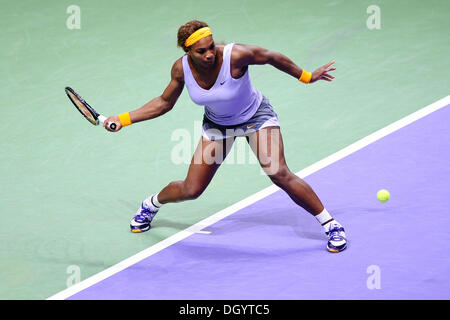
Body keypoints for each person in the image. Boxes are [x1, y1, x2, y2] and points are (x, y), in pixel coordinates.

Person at [104, 20, 347, 253]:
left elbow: (272, 57)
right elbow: (164, 102)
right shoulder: (181, 69)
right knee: (191, 190)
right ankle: (152, 204)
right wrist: (123, 119)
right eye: (201, 51)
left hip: (256, 117)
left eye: (211, 46)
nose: (210, 54)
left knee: (278, 172)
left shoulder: (236, 55)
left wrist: (306, 76)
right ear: (187, 51)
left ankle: (330, 225)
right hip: (218, 126)